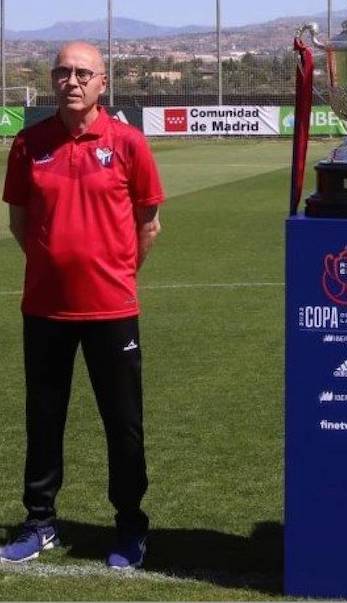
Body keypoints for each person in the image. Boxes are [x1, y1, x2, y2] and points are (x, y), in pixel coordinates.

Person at [0, 41, 164, 570]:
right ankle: (40, 522)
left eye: (83, 73)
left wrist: (111, 271)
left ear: (101, 83)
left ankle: (130, 526)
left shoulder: (128, 143)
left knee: (123, 422)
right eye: (62, 72)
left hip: (112, 308)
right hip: (44, 309)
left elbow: (149, 223)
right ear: (53, 81)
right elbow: (20, 223)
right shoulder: (27, 145)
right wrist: (55, 266)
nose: (71, 80)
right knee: (43, 418)